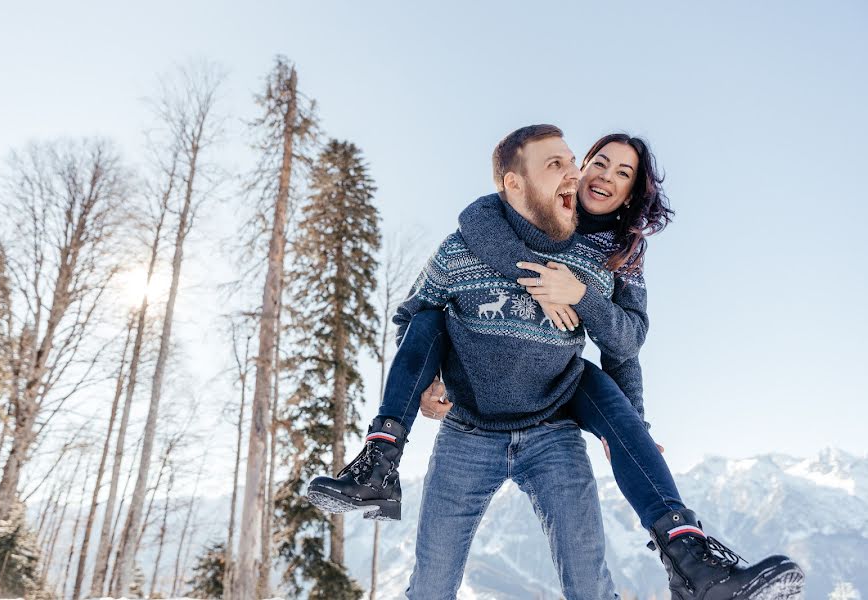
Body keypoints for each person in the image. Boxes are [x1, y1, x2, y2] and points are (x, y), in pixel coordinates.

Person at [308, 126, 803, 598]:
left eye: (623, 173)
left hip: (554, 421)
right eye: (595, 163)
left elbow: (625, 347)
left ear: (631, 192)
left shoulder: (617, 251)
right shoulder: (483, 229)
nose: (601, 176)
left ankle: (691, 557)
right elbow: (467, 239)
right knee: (432, 584)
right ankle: (380, 458)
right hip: (470, 428)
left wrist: (629, 425)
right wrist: (431, 380)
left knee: (590, 579)